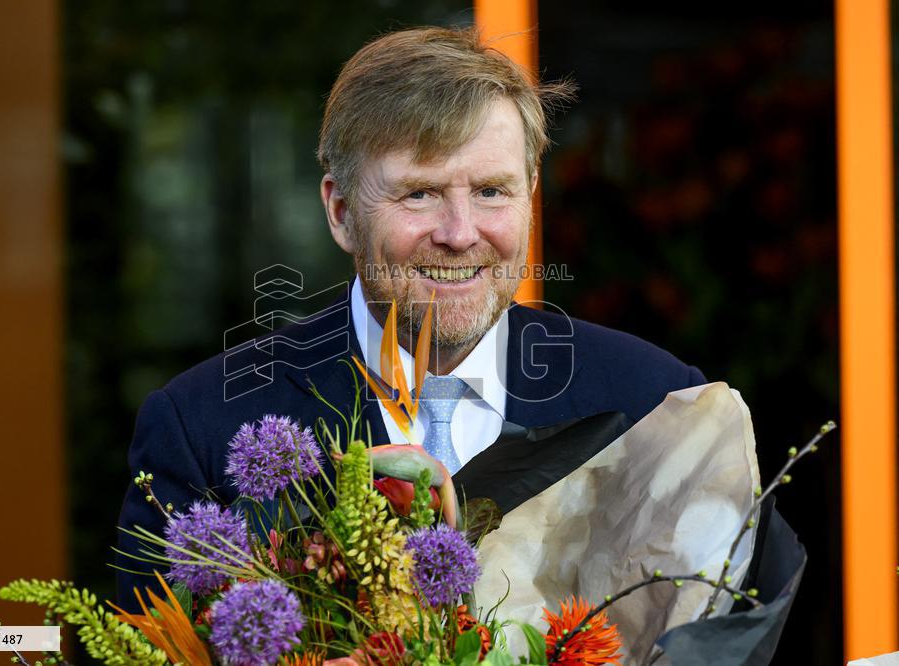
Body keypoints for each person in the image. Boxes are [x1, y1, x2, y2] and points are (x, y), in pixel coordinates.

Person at [115, 26, 705, 610]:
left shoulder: (656, 404)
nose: (459, 234)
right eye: (419, 194)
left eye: (492, 192)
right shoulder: (203, 428)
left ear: (530, 194)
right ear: (341, 213)